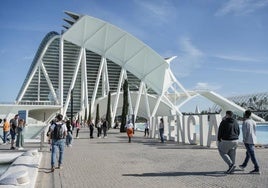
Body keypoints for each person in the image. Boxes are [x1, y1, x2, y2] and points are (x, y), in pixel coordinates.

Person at [239, 110, 261, 174]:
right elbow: (254, 131)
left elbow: (244, 132)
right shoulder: (254, 122)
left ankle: (257, 168)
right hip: (253, 139)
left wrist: (244, 139)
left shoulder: (245, 122)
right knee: (248, 153)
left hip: (248, 140)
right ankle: (244, 165)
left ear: (245, 115)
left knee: (252, 154)